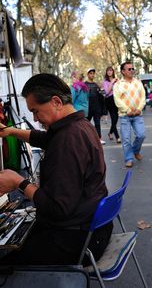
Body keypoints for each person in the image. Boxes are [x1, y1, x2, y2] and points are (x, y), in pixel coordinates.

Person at [0, 73, 113, 265]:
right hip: (93, 228)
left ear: (56, 102)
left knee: (6, 261)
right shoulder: (79, 125)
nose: (35, 119)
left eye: (35, 111)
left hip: (76, 240)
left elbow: (57, 208)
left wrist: (19, 182)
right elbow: (45, 139)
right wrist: (11, 131)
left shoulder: (68, 140)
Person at [113, 62, 146, 168]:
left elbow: (143, 97)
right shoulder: (118, 84)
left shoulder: (138, 82)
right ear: (123, 71)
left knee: (141, 135)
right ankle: (129, 158)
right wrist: (127, 110)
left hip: (137, 114)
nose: (132, 70)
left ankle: (135, 151)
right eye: (129, 69)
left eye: (132, 68)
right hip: (124, 116)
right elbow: (117, 100)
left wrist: (139, 109)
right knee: (126, 139)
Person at [85, 68, 106, 145]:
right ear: (88, 74)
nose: (92, 75)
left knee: (97, 124)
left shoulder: (97, 85)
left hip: (96, 108)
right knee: (86, 124)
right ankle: (85, 139)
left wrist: (102, 89)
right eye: (90, 73)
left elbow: (102, 96)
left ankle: (99, 139)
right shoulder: (84, 85)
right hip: (88, 108)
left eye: (93, 73)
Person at [102, 66, 121, 143]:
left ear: (113, 72)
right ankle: (117, 137)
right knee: (113, 118)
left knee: (116, 119)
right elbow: (106, 92)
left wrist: (118, 82)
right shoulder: (105, 82)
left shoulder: (116, 80)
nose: (109, 72)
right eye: (108, 71)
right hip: (109, 101)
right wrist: (112, 82)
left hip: (116, 100)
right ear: (106, 72)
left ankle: (110, 133)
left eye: (111, 70)